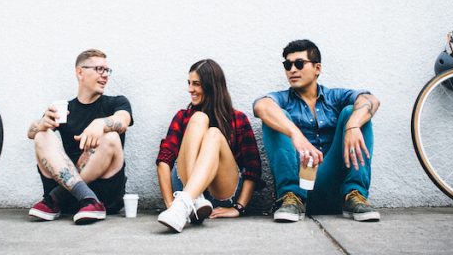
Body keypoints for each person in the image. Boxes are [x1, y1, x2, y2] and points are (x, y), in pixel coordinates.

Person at [253, 39, 381, 222]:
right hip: (299, 184)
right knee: (274, 116)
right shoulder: (283, 99)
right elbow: (261, 107)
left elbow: (371, 100)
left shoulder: (335, 97)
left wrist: (353, 125)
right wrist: (295, 134)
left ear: (317, 68)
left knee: (356, 112)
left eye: (299, 63)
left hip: (335, 184)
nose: (292, 70)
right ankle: (291, 197)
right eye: (287, 65)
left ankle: (355, 194)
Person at [156, 59, 262, 233]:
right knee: (198, 118)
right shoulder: (183, 116)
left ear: (211, 86)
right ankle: (191, 199)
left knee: (213, 133)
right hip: (183, 193)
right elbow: (164, 160)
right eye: (189, 83)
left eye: (196, 84)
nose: (190, 89)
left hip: (220, 193)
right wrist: (170, 205)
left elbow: (252, 168)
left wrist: (238, 208)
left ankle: (187, 201)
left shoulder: (237, 119)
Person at [27, 49, 133, 224]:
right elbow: (30, 133)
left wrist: (100, 124)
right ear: (80, 72)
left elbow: (123, 121)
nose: (105, 75)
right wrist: (41, 124)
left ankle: (62, 198)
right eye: (99, 69)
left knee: (111, 136)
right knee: (41, 135)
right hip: (68, 196)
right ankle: (83, 196)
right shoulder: (63, 109)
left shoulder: (116, 102)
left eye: (107, 70)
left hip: (105, 196)